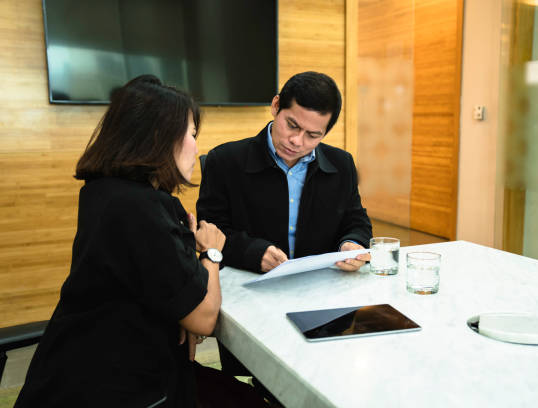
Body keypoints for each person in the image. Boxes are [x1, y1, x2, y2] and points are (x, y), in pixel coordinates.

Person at [15, 75, 267, 408]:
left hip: (76, 368)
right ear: (159, 137)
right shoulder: (140, 209)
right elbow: (204, 318)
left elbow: (165, 286)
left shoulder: (105, 191)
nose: (196, 148)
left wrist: (182, 309)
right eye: (192, 135)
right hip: (116, 384)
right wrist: (212, 252)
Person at [196, 71, 372, 274]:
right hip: (247, 281)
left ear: (325, 132)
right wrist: (252, 252)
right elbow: (208, 232)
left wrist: (352, 244)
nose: (297, 141)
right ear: (276, 105)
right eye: (292, 125)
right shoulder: (224, 161)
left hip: (320, 283)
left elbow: (357, 222)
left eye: (313, 135)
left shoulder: (342, 164)